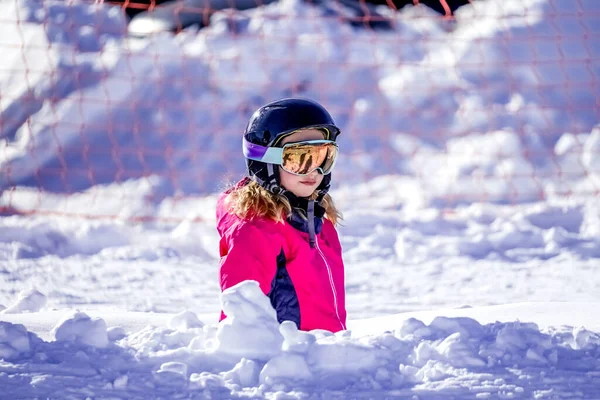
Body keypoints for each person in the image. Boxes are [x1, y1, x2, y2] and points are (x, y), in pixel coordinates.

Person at [216, 98, 347, 333]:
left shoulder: (318, 220)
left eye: (323, 157)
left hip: (323, 358)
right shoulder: (255, 231)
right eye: (298, 159)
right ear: (266, 161)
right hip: (285, 363)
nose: (314, 170)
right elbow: (239, 320)